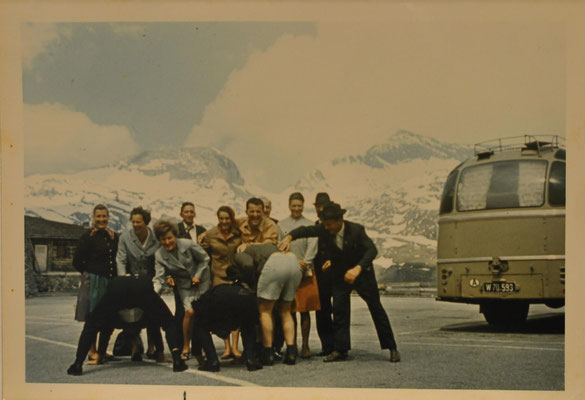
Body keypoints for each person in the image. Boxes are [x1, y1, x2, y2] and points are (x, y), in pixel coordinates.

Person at [279, 201, 401, 363]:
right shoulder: (324, 228)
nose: (327, 228)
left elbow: (372, 250)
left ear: (339, 221)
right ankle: (341, 350)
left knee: (376, 308)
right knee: (339, 309)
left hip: (362, 274)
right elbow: (305, 230)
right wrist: (289, 236)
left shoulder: (356, 230)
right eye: (325, 224)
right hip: (340, 274)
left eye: (329, 224)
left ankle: (391, 347)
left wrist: (357, 268)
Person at [66, 275, 188, 376]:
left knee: (92, 324)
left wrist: (99, 356)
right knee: (166, 321)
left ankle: (77, 365)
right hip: (140, 288)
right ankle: (177, 362)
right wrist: (162, 354)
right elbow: (162, 325)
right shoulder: (146, 315)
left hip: (119, 289)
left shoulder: (114, 317)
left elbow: (101, 329)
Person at [153, 220, 210, 361]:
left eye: (169, 238)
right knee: (189, 312)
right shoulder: (159, 255)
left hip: (201, 280)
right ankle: (186, 346)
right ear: (159, 240)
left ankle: (203, 347)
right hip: (184, 285)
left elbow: (205, 259)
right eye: (163, 239)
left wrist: (197, 275)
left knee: (202, 313)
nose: (167, 242)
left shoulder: (188, 244)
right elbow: (159, 277)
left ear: (175, 236)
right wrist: (153, 293)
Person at [116, 206, 167, 362]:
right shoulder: (125, 237)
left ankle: (154, 348)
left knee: (152, 315)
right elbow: (121, 260)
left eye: (139, 222)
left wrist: (158, 284)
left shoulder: (156, 239)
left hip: (151, 282)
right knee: (131, 315)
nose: (136, 225)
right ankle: (135, 347)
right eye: (133, 222)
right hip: (132, 281)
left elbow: (161, 262)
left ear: (146, 223)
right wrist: (124, 280)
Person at [72, 203, 119, 363]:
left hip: (110, 281)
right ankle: (92, 351)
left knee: (108, 317)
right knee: (93, 317)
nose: (101, 219)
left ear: (108, 217)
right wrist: (89, 274)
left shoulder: (113, 236)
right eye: (98, 216)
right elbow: (77, 261)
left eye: (104, 216)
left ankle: (102, 350)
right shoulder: (87, 237)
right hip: (94, 281)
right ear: (93, 218)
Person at [278, 192, 319, 359]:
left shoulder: (310, 224)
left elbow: (312, 246)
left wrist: (305, 262)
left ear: (303, 206)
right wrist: (293, 261)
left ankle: (306, 345)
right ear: (289, 205)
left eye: (299, 206)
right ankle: (292, 344)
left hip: (306, 271)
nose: (296, 208)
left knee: (305, 311)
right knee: (290, 310)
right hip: (289, 270)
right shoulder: (281, 224)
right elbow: (279, 245)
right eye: (293, 205)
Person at [199, 205, 243, 360]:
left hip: (235, 275)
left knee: (236, 310)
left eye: (227, 218)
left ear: (232, 219)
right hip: (217, 275)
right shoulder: (210, 234)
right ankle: (227, 347)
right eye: (221, 218)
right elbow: (202, 252)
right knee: (222, 311)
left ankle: (236, 348)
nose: (224, 221)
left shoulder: (239, 232)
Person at [174, 202, 207, 362]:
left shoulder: (201, 231)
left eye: (191, 212)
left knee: (198, 311)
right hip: (180, 278)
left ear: (195, 214)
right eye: (186, 212)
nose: (189, 214)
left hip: (198, 277)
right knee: (182, 312)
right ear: (181, 214)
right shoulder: (175, 231)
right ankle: (182, 346)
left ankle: (198, 348)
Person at [311, 192, 335, 356]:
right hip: (320, 272)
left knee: (339, 309)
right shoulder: (316, 225)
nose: (320, 209)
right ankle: (327, 345)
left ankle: (339, 345)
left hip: (335, 270)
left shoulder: (335, 224)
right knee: (322, 309)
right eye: (318, 206)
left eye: (323, 206)